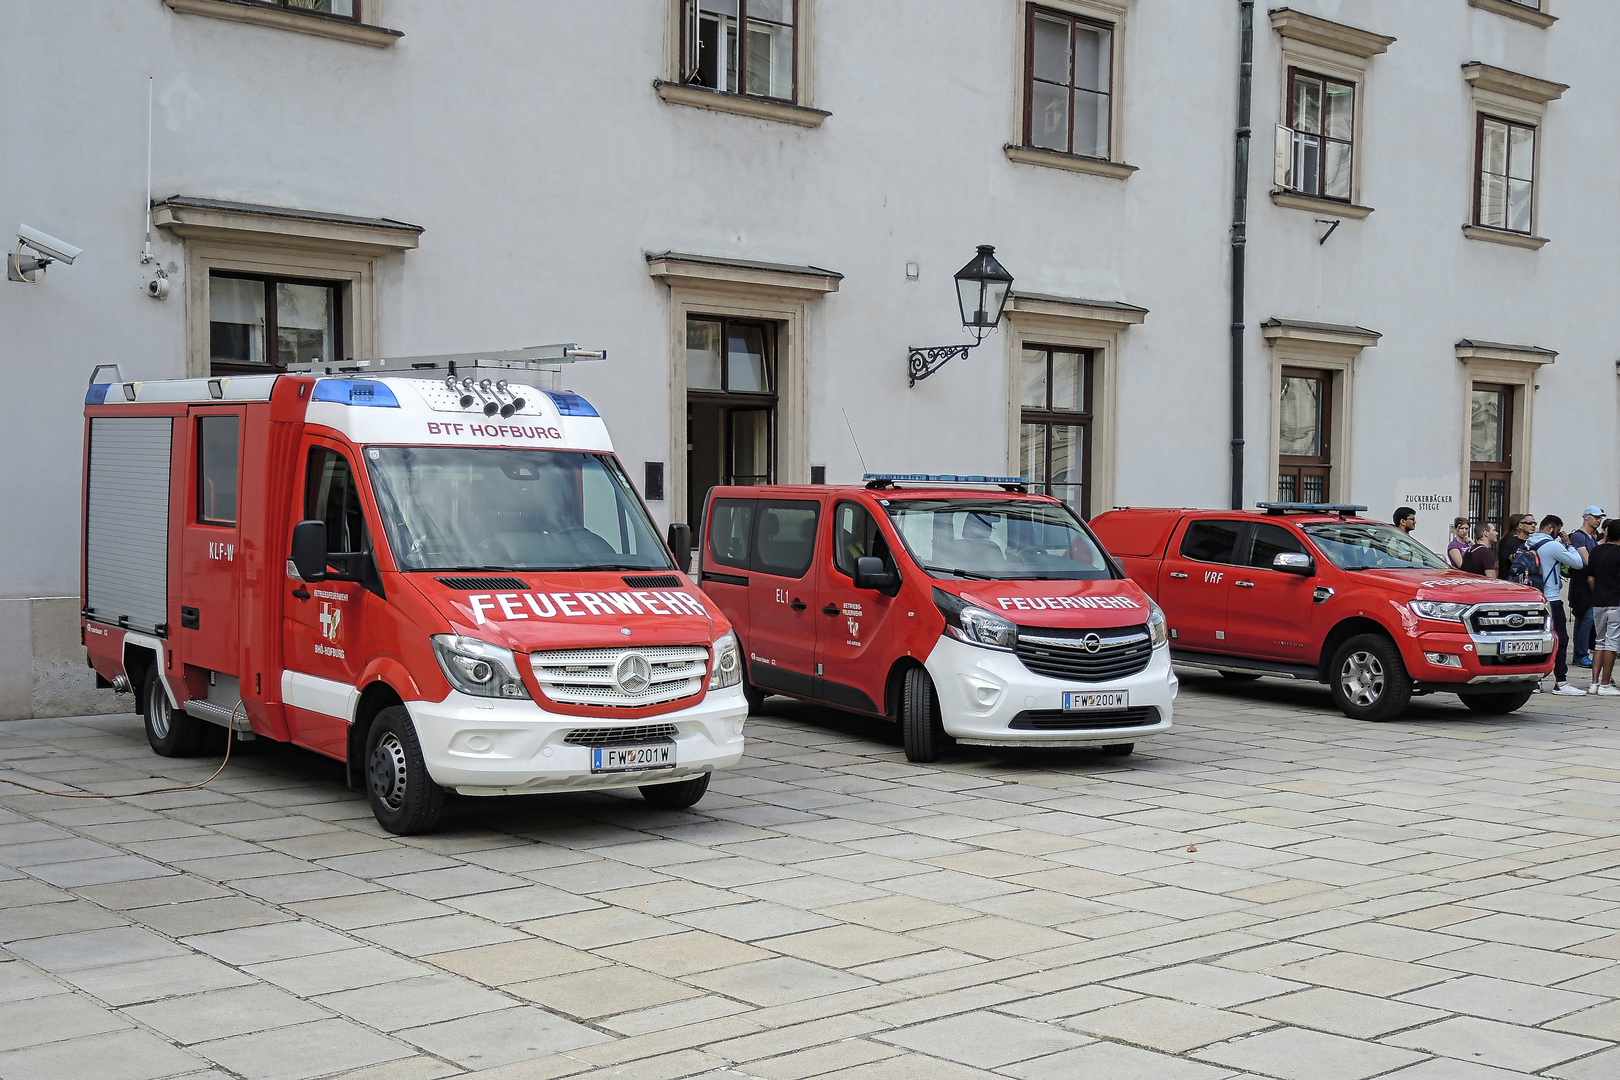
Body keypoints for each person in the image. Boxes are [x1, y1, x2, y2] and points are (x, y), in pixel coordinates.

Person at [1522, 515, 1588, 696]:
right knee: (1560, 639)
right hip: (1551, 599)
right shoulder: (1552, 545)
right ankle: (1561, 682)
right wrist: (1568, 544)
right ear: (1551, 528)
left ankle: (1535, 680)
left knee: (1537, 640)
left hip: (1534, 598)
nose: (1559, 534)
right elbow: (1578, 563)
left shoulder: (1529, 543)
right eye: (1558, 530)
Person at [1584, 518, 1620, 696]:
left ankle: (1594, 682)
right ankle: (1605, 684)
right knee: (1611, 643)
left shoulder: (1597, 551)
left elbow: (1591, 578)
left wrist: (1598, 591)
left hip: (1598, 601)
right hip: (1615, 601)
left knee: (1599, 642)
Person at [1568, 506, 1604, 668]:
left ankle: (1580, 653)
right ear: (1586, 517)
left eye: (1600, 518)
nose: (1598, 520)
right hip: (1581, 585)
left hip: (1589, 583)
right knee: (1586, 618)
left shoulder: (1592, 537)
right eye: (1596, 517)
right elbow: (1587, 560)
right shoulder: (1579, 536)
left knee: (1584, 619)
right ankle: (1581, 654)